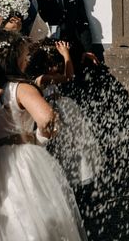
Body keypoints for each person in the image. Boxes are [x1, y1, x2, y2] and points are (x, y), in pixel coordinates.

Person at [0, 30, 86, 240]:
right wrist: (38, 140)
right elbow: (47, 119)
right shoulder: (20, 87)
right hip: (20, 161)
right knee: (33, 220)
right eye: (24, 55)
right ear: (14, 59)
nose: (28, 59)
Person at [26, 38, 103, 188]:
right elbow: (68, 77)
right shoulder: (41, 79)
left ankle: (74, 176)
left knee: (73, 145)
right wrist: (66, 55)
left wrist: (70, 54)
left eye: (58, 63)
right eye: (52, 64)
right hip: (53, 118)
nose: (56, 67)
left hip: (64, 115)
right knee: (58, 149)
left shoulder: (48, 77)